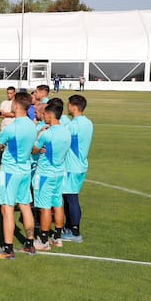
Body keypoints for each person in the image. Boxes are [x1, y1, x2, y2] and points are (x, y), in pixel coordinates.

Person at [0, 91, 38, 259]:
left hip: (10, 171)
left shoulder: (12, 127)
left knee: (7, 208)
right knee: (25, 205)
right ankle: (29, 243)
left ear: (16, 105)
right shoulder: (32, 125)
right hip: (25, 169)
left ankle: (8, 249)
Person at [33, 100, 71, 251]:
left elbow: (33, 150)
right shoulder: (66, 132)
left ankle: (43, 240)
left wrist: (39, 137)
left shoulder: (46, 134)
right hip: (59, 172)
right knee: (58, 203)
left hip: (45, 174)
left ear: (49, 115)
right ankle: (57, 236)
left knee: (44, 207)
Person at [62, 94, 93, 243]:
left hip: (71, 166)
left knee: (71, 199)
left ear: (74, 107)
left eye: (68, 105)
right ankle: (71, 228)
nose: (67, 107)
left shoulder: (74, 125)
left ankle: (75, 232)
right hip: (81, 164)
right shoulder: (88, 123)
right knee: (72, 198)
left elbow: (62, 139)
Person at [0, 86, 17, 167]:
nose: (9, 95)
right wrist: (8, 114)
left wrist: (6, 114)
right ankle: (2, 161)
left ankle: (11, 162)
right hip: (4, 126)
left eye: (10, 93)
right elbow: (1, 115)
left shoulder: (15, 103)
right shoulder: (3, 103)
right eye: (8, 93)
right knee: (2, 144)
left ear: (14, 93)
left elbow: (14, 114)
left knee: (11, 145)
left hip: (12, 126)